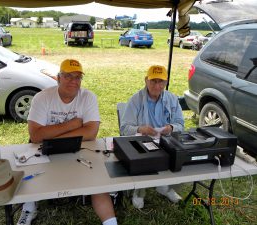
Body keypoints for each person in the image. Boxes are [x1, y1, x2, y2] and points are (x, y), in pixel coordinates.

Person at [17, 59, 117, 225]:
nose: (73, 81)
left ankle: (111, 222)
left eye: (78, 77)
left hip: (76, 146)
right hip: (43, 148)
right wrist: (72, 125)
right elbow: (35, 136)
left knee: (97, 180)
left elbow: (91, 132)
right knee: (32, 177)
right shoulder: (42, 98)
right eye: (68, 76)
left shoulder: (88, 97)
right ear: (58, 78)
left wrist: (50, 136)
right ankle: (29, 207)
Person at [120, 65, 184, 208]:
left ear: (166, 83)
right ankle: (139, 191)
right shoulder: (136, 99)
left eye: (161, 82)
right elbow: (124, 129)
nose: (157, 85)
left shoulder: (172, 99)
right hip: (142, 141)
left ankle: (165, 187)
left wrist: (171, 128)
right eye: (153, 81)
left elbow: (180, 123)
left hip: (166, 140)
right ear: (146, 80)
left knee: (180, 156)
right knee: (144, 158)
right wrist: (140, 129)